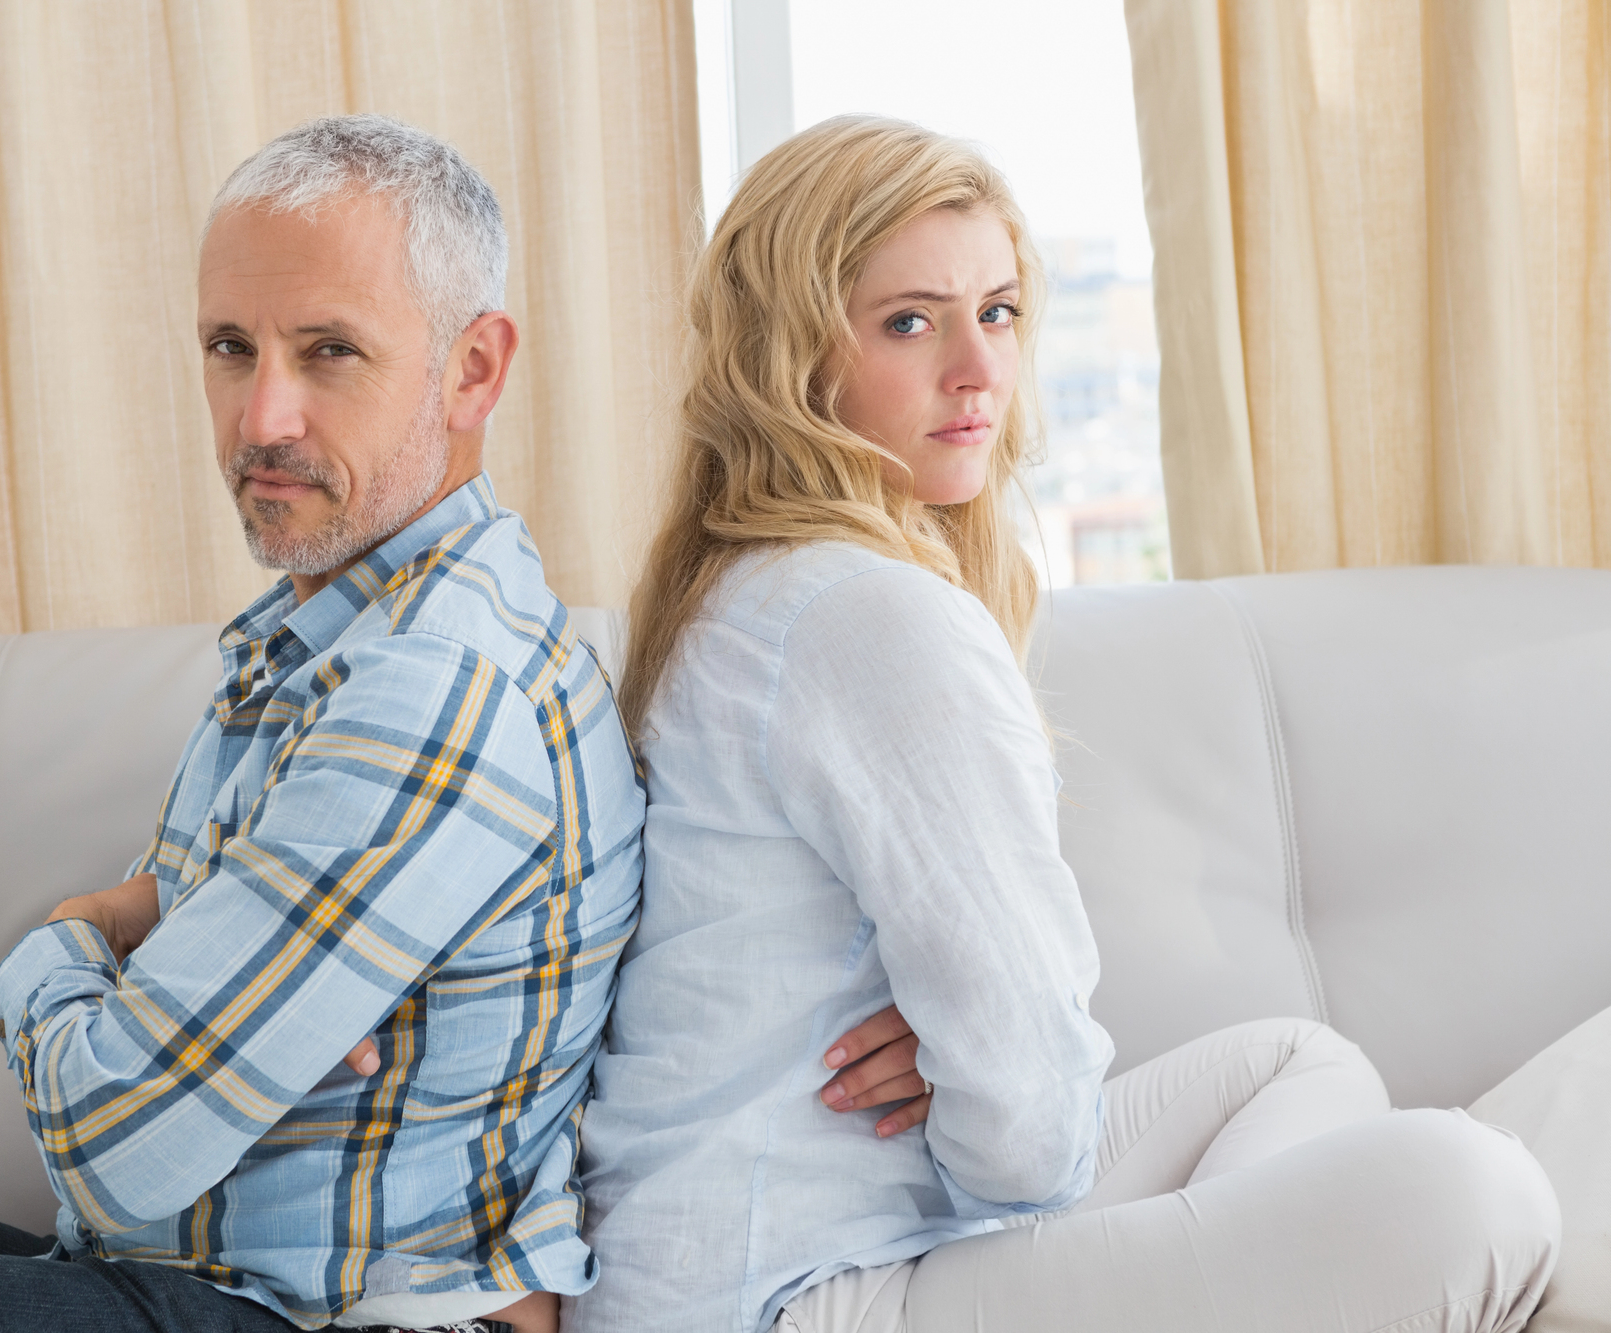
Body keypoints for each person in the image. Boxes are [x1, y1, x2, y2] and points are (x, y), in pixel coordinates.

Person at [0, 115, 645, 1333]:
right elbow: (149, 1056)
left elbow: (118, 1141)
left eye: (328, 353)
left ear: (471, 369)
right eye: (229, 346)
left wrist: (66, 935)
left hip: (317, 1318)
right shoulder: (326, 637)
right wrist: (145, 975)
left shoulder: (434, 685)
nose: (262, 417)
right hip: (177, 1283)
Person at [567, 115, 1562, 1333]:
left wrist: (962, 1053)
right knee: (1479, 1187)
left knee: (1301, 1064)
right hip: (799, 1296)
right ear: (791, 358)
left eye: (995, 313)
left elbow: (1021, 1102)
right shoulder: (870, 617)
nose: (978, 370)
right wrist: (977, 1065)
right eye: (907, 321)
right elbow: (1028, 1148)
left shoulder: (743, 584)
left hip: (746, 1267)